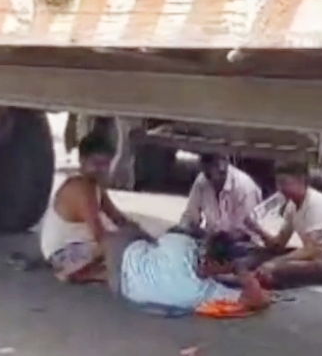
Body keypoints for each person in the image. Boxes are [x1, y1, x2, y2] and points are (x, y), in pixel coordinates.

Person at [39, 131, 148, 282]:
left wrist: (145, 237)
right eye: (96, 164)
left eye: (105, 164)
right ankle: (74, 272)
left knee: (128, 240)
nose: (102, 170)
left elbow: (118, 219)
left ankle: (97, 272)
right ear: (81, 161)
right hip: (63, 253)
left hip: (83, 247)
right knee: (117, 247)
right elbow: (100, 236)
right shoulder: (80, 189)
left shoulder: (94, 186)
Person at [101, 225, 271, 315]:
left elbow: (162, 238)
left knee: (136, 232)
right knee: (140, 238)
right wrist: (240, 269)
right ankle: (100, 270)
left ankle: (97, 261)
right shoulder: (202, 293)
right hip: (123, 289)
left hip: (123, 253)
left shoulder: (181, 243)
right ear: (224, 264)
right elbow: (259, 300)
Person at [243, 161, 322, 289]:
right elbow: (278, 245)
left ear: (301, 181)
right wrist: (256, 229)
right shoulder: (291, 206)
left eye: (285, 183)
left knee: (274, 269)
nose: (280, 189)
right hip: (314, 254)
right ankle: (251, 276)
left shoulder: (315, 203)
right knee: (255, 258)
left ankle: (254, 280)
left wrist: (276, 263)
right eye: (278, 183)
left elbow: (312, 250)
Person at [178, 153, 264, 240]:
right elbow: (190, 216)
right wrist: (184, 228)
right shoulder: (202, 180)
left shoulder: (245, 187)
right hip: (211, 242)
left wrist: (219, 240)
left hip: (241, 244)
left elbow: (249, 232)